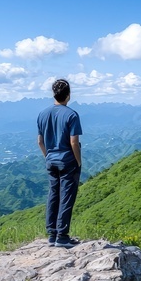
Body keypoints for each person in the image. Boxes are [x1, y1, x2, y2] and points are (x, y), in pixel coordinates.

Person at [37, 78, 83, 248]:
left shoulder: (43, 114)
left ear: (53, 94)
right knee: (66, 197)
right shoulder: (71, 115)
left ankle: (52, 235)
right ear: (68, 95)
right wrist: (78, 162)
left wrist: (47, 156)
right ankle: (62, 237)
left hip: (51, 160)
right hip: (67, 161)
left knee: (53, 195)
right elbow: (73, 142)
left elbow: (40, 141)